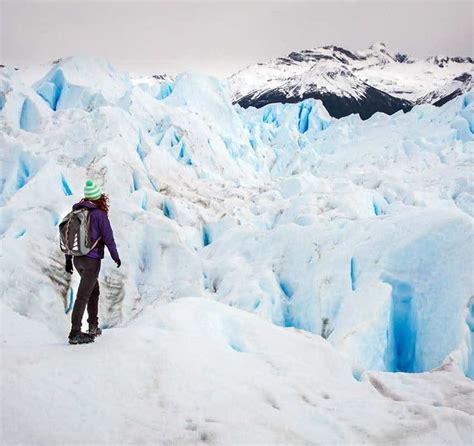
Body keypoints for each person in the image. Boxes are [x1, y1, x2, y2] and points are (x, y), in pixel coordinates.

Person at [65, 180, 121, 345]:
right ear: (98, 197)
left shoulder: (77, 212)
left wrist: (68, 260)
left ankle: (93, 326)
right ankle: (75, 333)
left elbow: (69, 237)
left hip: (77, 259)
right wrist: (116, 257)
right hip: (91, 262)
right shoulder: (99, 215)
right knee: (83, 296)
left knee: (93, 291)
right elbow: (108, 239)